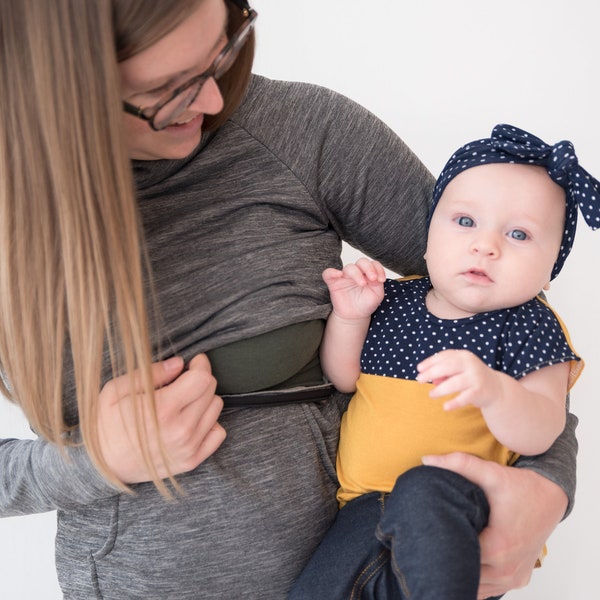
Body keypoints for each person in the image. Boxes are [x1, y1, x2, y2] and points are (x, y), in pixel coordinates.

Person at [0, 1, 580, 597]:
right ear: (59, 89)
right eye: (167, 90)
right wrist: (89, 465)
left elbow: (502, 308)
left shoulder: (303, 133)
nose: (214, 102)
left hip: (369, 571)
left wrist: (545, 487)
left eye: (221, 53)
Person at [289, 123, 600, 600]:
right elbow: (344, 378)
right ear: (429, 235)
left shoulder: (530, 325)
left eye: (518, 234)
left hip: (456, 506)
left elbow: (541, 431)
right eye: (465, 222)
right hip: (363, 506)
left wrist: (496, 391)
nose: (486, 245)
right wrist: (350, 318)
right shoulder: (394, 302)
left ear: (551, 265)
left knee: (423, 492)